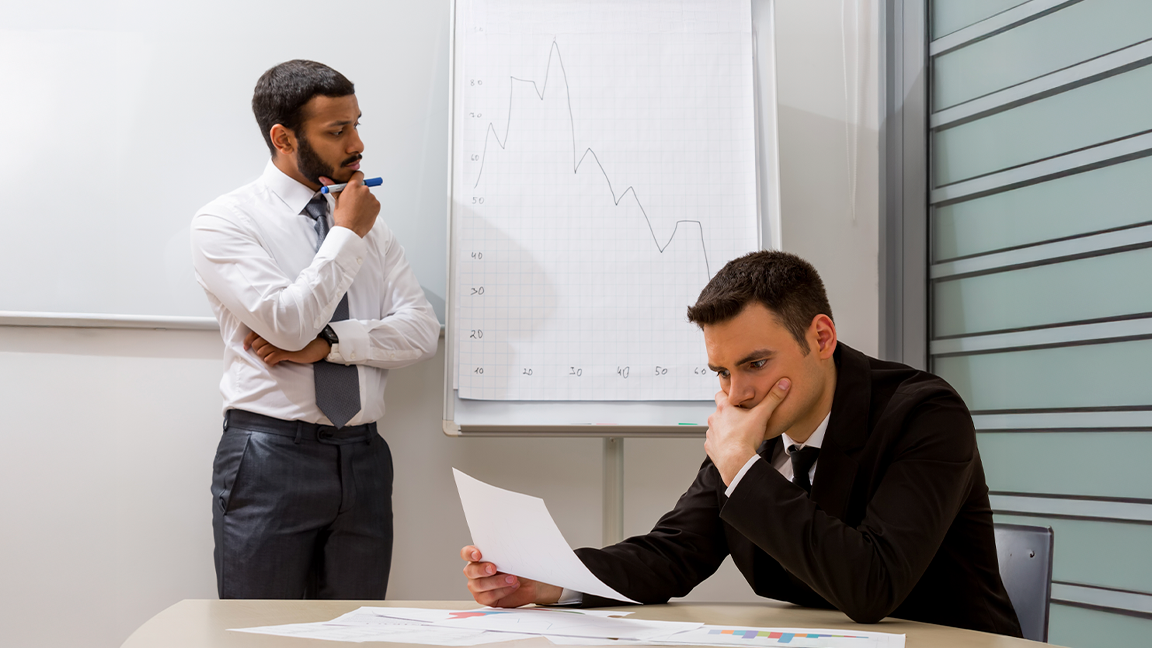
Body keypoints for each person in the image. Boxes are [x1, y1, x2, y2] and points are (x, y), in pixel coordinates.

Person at [460, 250, 1022, 636]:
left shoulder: (924, 414)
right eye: (722, 372)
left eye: (755, 364)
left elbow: (873, 585)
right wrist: (553, 582)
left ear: (820, 337)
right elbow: (675, 553)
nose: (738, 392)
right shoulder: (755, 426)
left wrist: (738, 465)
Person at [191, 59, 440, 599]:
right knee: (259, 635)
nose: (358, 143)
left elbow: (421, 332)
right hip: (269, 455)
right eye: (337, 130)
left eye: (356, 123)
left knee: (358, 632)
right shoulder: (226, 221)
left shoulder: (369, 223)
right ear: (283, 138)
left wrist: (329, 345)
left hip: (365, 456)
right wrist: (346, 233)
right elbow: (288, 324)